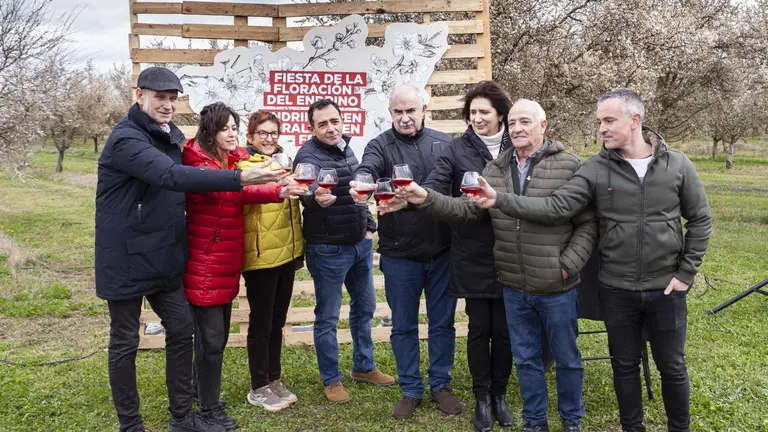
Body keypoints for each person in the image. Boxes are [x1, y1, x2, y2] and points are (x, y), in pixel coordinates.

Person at [467, 89, 713, 432]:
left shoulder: (678, 164)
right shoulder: (596, 169)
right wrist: (500, 200)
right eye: (600, 121)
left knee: (672, 365)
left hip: (666, 288)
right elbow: (556, 208)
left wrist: (686, 273)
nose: (601, 128)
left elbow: (700, 219)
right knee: (624, 365)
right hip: (616, 288)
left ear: (635, 120)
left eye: (609, 121)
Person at [96, 66, 287, 432]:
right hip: (124, 257)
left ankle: (183, 418)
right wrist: (239, 176)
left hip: (164, 253)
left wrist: (266, 182)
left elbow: (203, 166)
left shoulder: (168, 136)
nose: (167, 105)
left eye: (172, 98)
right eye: (159, 97)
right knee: (124, 341)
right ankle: (130, 425)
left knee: (183, 331)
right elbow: (171, 176)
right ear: (140, 96)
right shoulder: (127, 140)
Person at [393, 98, 598, 432]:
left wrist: (569, 263)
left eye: (525, 122)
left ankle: (572, 421)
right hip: (514, 284)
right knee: (527, 360)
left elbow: (587, 223)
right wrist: (425, 198)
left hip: (556, 284)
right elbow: (468, 210)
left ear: (543, 125)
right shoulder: (495, 169)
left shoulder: (568, 164)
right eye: (514, 123)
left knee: (568, 359)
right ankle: (534, 422)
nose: (517, 128)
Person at [381, 81, 516, 430]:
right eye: (472, 112)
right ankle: (476, 397)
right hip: (472, 252)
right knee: (476, 328)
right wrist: (415, 196)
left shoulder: (517, 143)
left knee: (504, 330)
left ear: (501, 114)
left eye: (484, 111)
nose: (477, 118)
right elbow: (438, 186)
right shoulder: (456, 149)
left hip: (514, 250)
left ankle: (494, 394)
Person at [182, 102, 306, 430]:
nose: (231, 134)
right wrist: (277, 189)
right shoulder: (199, 162)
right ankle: (209, 406)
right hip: (207, 258)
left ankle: (199, 392)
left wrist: (280, 186)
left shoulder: (231, 158)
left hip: (226, 257)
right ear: (209, 130)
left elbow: (243, 187)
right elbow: (236, 191)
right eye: (225, 128)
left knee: (216, 337)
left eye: (234, 128)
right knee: (211, 338)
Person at [350, 85, 460, 420]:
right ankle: (411, 388)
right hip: (399, 255)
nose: (405, 118)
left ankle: (440, 384)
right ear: (390, 113)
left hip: (441, 251)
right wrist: (362, 181)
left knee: (442, 324)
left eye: (410, 111)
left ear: (424, 108)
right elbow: (367, 167)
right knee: (403, 326)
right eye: (398, 112)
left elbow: (452, 191)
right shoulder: (380, 144)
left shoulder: (445, 144)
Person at [293, 98, 395, 403]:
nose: (330, 128)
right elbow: (306, 189)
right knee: (327, 317)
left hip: (359, 246)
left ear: (342, 121)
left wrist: (368, 224)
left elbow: (358, 190)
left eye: (334, 121)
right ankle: (331, 379)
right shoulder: (307, 154)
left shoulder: (348, 149)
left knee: (364, 307)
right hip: (327, 249)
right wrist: (314, 199)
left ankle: (363, 366)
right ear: (311, 128)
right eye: (322, 123)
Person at [239, 111, 305, 412]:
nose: (268, 138)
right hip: (261, 255)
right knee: (261, 322)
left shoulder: (286, 163)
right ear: (250, 137)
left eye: (273, 132)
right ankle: (258, 385)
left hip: (287, 253)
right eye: (262, 133)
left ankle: (274, 378)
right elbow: (250, 195)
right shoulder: (244, 166)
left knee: (278, 321)